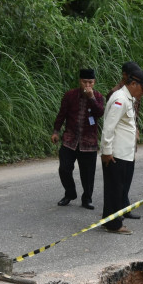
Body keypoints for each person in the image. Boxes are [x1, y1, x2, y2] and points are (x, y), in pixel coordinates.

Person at [100, 65, 143, 234]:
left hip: (125, 154)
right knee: (114, 189)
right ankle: (113, 224)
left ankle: (111, 219)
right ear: (134, 83)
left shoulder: (129, 99)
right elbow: (108, 127)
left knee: (118, 189)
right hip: (116, 154)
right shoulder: (120, 98)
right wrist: (106, 151)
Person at [51, 68, 105, 209]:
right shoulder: (70, 95)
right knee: (64, 168)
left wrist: (91, 97)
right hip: (70, 140)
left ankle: (87, 198)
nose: (87, 85)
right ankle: (70, 193)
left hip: (89, 142)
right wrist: (56, 131)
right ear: (79, 81)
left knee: (88, 173)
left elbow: (99, 113)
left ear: (94, 82)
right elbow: (61, 114)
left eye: (90, 82)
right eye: (84, 82)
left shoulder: (98, 96)